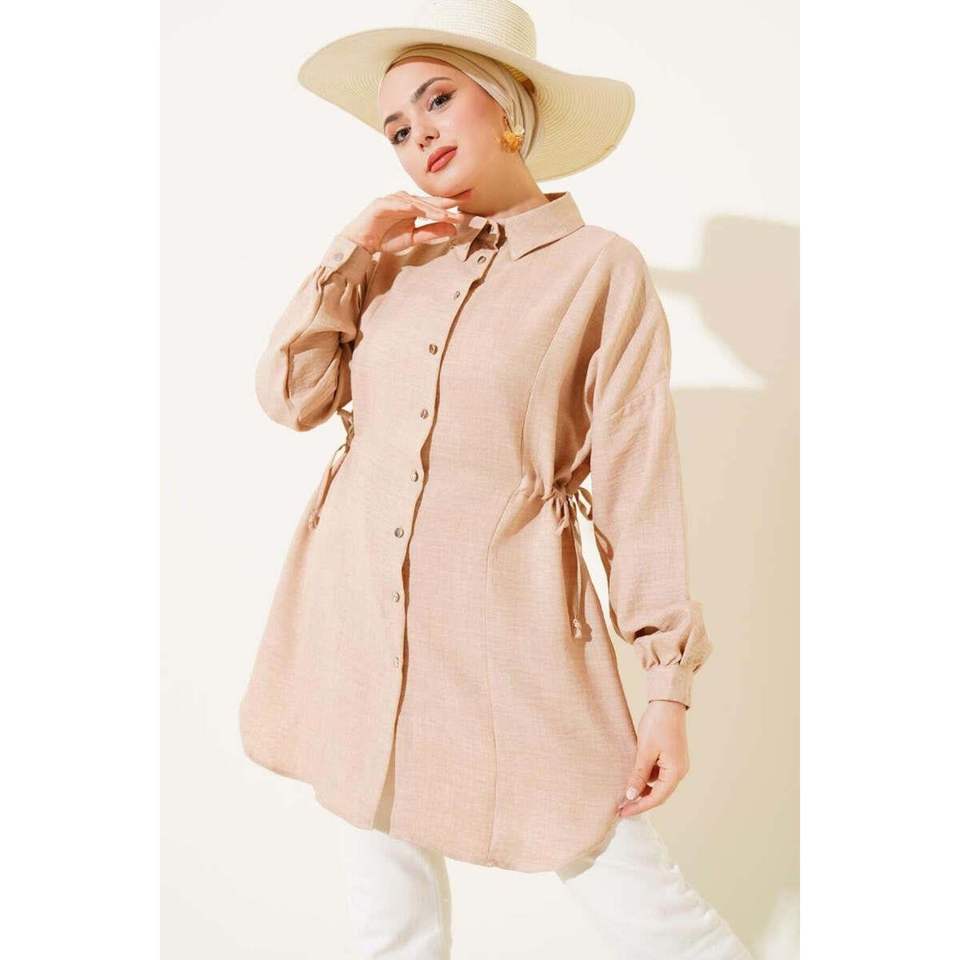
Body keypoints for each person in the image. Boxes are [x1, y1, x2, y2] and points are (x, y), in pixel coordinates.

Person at [238, 1, 753, 956]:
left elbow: (636, 480)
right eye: (396, 128)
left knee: (637, 898)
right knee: (388, 914)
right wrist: (352, 250)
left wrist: (666, 689)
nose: (418, 136)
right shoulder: (394, 260)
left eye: (438, 99)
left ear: (507, 102)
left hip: (505, 622)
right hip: (359, 610)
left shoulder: (599, 270)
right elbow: (291, 396)